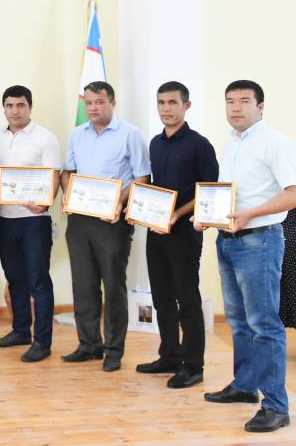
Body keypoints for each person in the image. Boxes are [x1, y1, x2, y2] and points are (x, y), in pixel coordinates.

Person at [195, 80, 296, 433]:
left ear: (260, 107)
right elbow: (228, 196)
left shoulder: (275, 143)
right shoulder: (232, 143)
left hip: (259, 241)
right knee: (238, 321)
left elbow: (293, 194)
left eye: (244, 101)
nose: (235, 107)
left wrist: (252, 213)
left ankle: (276, 406)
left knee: (264, 325)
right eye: (230, 101)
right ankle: (244, 385)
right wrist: (206, 216)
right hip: (228, 239)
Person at [60, 81, 150, 373]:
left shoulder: (130, 134)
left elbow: (142, 178)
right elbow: (68, 172)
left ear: (113, 103)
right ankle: (89, 345)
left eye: (99, 102)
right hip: (80, 219)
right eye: (88, 103)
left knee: (112, 287)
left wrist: (118, 202)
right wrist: (68, 194)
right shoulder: (77, 134)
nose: (93, 108)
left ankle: (113, 350)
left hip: (112, 221)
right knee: (83, 285)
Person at [135, 82, 218, 389]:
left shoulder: (200, 145)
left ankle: (193, 366)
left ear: (187, 105)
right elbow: (154, 187)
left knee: (187, 298)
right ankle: (169, 355)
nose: (166, 108)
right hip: (156, 230)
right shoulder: (155, 143)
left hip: (184, 232)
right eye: (161, 102)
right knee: (162, 297)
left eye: (172, 102)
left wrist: (177, 214)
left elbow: (209, 189)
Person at [0, 86, 61, 363]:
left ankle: (42, 341)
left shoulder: (45, 138)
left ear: (30, 107)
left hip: (34, 220)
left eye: (20, 105)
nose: (15, 111)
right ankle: (20, 330)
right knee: (15, 277)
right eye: (10, 105)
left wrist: (46, 202)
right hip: (3, 218)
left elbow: (53, 176)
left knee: (38, 280)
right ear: (3, 108)